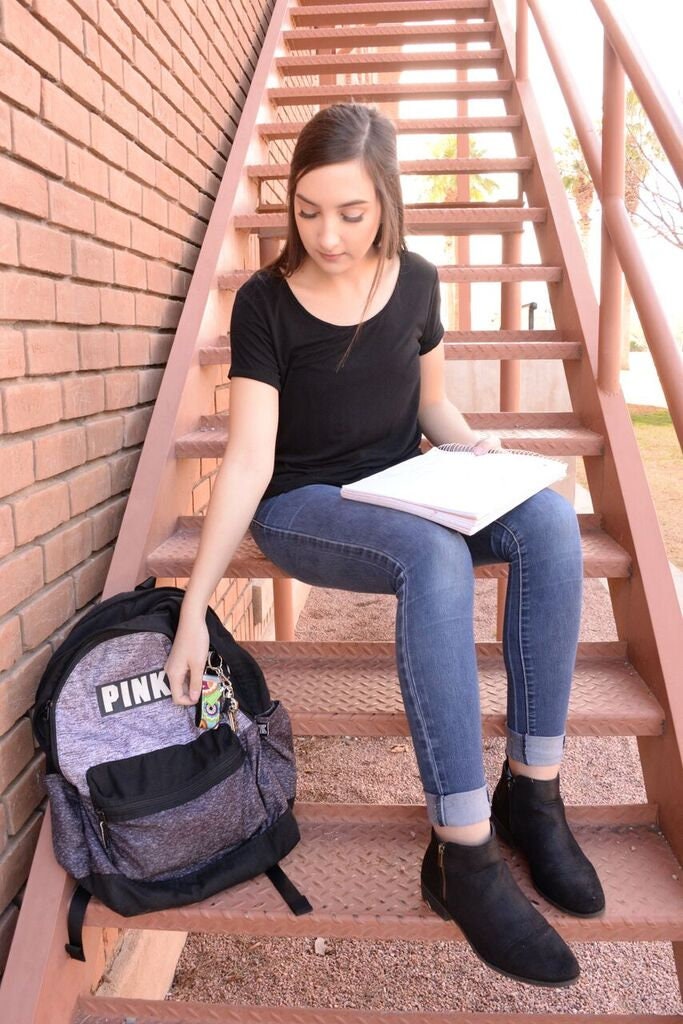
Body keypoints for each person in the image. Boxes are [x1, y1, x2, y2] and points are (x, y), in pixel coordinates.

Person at [164, 103, 604, 987]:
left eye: (351, 212)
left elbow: (430, 403)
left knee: (550, 519)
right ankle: (462, 851)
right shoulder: (262, 303)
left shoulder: (416, 281)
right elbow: (249, 459)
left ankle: (534, 793)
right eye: (309, 210)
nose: (327, 233)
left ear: (387, 202)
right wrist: (191, 608)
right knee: (431, 558)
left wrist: (473, 446)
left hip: (405, 483)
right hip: (304, 505)